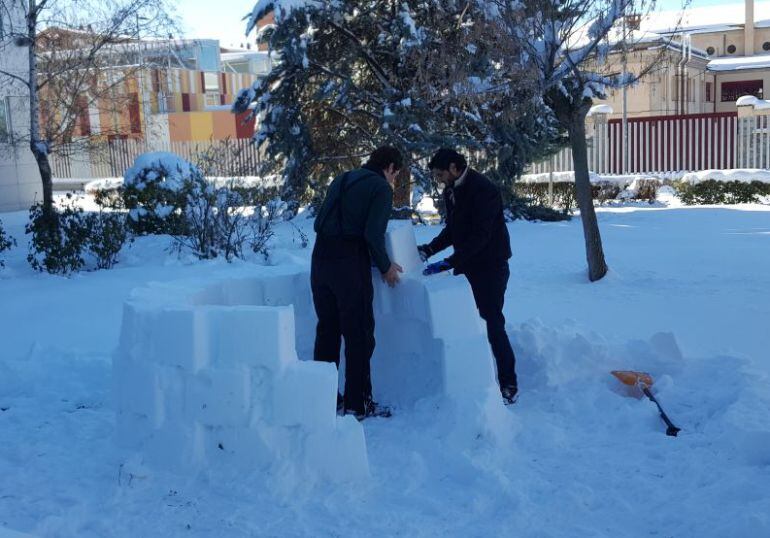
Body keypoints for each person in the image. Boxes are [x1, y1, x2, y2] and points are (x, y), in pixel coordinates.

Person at [418, 148, 519, 404]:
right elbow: (454, 230)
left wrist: (450, 261)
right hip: (468, 263)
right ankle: (473, 377)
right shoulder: (451, 190)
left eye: (441, 173)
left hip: (491, 265)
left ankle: (508, 383)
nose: (439, 179)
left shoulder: (483, 189)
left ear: (454, 167)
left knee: (492, 321)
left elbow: (481, 236)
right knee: (464, 322)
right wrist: (429, 249)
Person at [311, 146, 404, 420]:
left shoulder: (343, 178)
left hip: (320, 260)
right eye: (395, 173)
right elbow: (373, 234)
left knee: (327, 331)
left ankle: (325, 398)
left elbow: (320, 221)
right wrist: (386, 266)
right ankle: (358, 404)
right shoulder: (380, 188)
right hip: (348, 264)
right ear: (390, 167)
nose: (394, 179)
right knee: (359, 333)